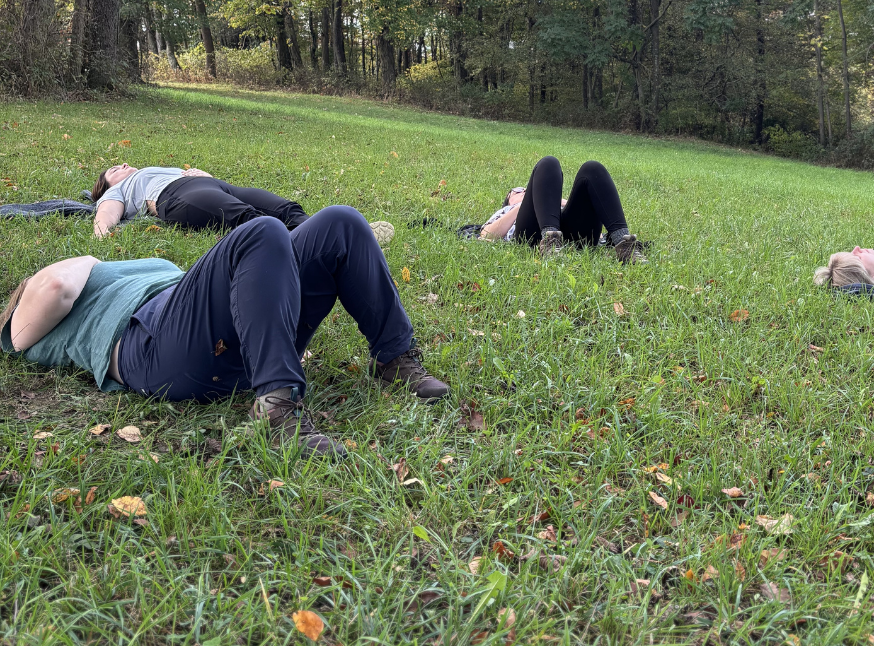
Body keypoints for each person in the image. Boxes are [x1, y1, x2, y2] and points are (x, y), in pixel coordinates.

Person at [1, 207, 449, 457]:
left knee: (341, 224)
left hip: (217, 336)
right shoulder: (55, 290)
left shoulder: (135, 272)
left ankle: (395, 357)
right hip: (151, 347)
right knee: (263, 232)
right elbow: (46, 299)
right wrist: (83, 261)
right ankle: (277, 408)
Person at [480, 156, 645, 262]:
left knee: (592, 168)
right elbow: (486, 234)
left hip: (571, 233)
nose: (522, 191)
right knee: (548, 163)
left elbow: (595, 222)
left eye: (525, 190)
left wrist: (558, 201)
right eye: (518, 191)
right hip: (532, 234)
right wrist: (523, 203)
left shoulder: (557, 203)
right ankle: (550, 244)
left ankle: (625, 247)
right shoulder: (507, 211)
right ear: (509, 199)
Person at [90, 162, 307, 238]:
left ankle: (325, 233)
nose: (123, 165)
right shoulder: (115, 191)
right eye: (115, 170)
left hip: (217, 185)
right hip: (176, 195)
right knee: (247, 217)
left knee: (286, 209)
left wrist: (207, 176)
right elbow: (107, 213)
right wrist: (102, 233)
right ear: (107, 186)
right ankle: (302, 251)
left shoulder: (144, 172)